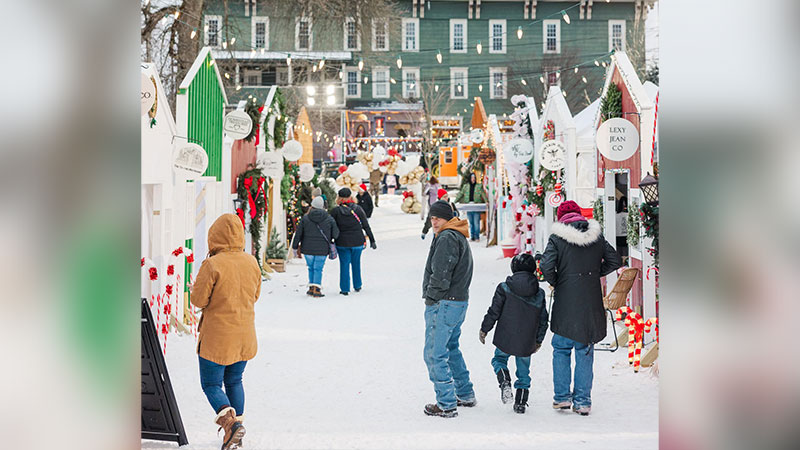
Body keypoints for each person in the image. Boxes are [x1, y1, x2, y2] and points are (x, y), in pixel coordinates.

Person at [539, 200, 622, 416]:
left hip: (566, 299)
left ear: (561, 218)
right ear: (579, 215)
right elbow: (614, 260)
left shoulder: (557, 238)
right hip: (590, 301)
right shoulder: (596, 236)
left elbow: (546, 265)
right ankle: (583, 401)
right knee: (585, 350)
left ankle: (562, 398)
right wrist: (595, 273)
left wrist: (558, 280)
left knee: (561, 348)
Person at [190, 214, 262, 450]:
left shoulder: (212, 264)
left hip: (217, 338)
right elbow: (255, 295)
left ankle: (230, 424)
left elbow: (198, 300)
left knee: (211, 384)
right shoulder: (251, 261)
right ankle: (237, 431)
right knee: (234, 380)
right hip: (244, 335)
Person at [421, 200, 476, 418]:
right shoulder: (455, 234)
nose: (434, 222)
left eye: (438, 218)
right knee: (451, 348)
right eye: (432, 218)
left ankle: (446, 402)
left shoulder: (447, 237)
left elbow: (441, 273)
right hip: (457, 301)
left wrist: (432, 298)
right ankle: (464, 392)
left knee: (434, 354)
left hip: (444, 302)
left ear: (447, 218)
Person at [478, 253, 549, 414]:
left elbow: (494, 311)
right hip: (527, 340)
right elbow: (544, 319)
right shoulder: (539, 293)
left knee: (498, 359)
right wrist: (538, 340)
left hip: (505, 337)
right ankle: (521, 403)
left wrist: (484, 329)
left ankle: (504, 382)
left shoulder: (504, 287)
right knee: (524, 372)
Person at [331, 188, 377, 295]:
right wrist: (372, 240)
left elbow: (331, 227)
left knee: (344, 265)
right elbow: (366, 226)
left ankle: (345, 289)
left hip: (342, 242)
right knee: (356, 263)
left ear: (339, 198)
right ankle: (357, 285)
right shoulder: (358, 209)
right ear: (351, 197)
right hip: (357, 241)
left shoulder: (335, 211)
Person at [291, 196, 339, 297]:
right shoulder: (329, 218)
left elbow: (298, 233)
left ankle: (311, 287)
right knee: (318, 269)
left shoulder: (305, 218)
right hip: (322, 249)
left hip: (307, 249)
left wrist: (295, 247)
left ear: (312, 206)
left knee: (311, 268)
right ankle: (316, 289)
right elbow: (336, 234)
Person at [455, 172, 486, 242]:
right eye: (472, 178)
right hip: (468, 206)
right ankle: (472, 236)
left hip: (476, 206)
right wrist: (455, 201)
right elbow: (461, 194)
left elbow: (482, 194)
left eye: (474, 178)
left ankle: (477, 236)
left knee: (476, 222)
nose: (473, 179)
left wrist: (486, 201)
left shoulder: (479, 186)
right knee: (471, 223)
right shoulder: (466, 186)